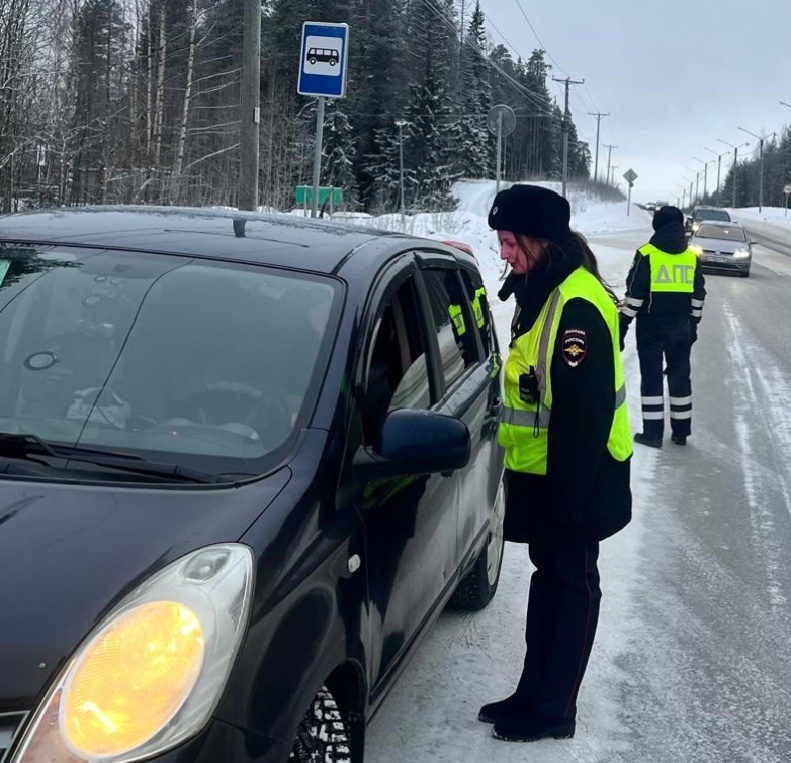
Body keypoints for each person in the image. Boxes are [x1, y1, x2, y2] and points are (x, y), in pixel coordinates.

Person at [480, 184, 633, 743]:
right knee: (549, 585)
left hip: (579, 482)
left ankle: (554, 710)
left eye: (510, 241)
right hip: (550, 478)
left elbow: (583, 419)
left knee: (570, 590)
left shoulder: (576, 307)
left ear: (540, 240)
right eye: (500, 241)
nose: (504, 253)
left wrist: (566, 507)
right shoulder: (541, 286)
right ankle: (531, 692)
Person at [619, 205, 706, 448]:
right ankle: (681, 433)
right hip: (681, 326)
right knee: (680, 377)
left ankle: (653, 435)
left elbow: (635, 296)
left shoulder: (647, 253)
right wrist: (693, 324)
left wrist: (622, 325)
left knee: (652, 379)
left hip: (651, 328)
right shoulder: (691, 256)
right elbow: (698, 294)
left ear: (656, 225)